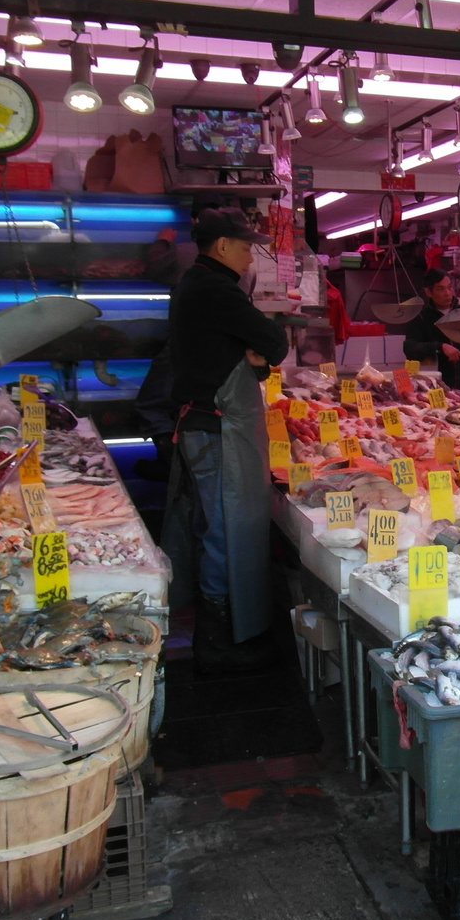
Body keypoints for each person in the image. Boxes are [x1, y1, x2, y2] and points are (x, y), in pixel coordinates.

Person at [163, 208, 290, 673]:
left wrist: (253, 358)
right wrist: (261, 353)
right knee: (222, 532)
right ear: (221, 246)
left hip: (203, 426)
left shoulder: (194, 285)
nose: (249, 258)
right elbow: (274, 341)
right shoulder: (215, 289)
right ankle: (219, 642)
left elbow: (247, 353)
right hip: (217, 432)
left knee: (213, 529)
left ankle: (224, 629)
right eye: (243, 248)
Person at [403, 269, 460, 393]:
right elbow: (410, 348)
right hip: (436, 388)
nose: (448, 293)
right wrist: (439, 347)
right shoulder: (421, 317)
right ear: (428, 292)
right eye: (441, 289)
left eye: (450, 287)